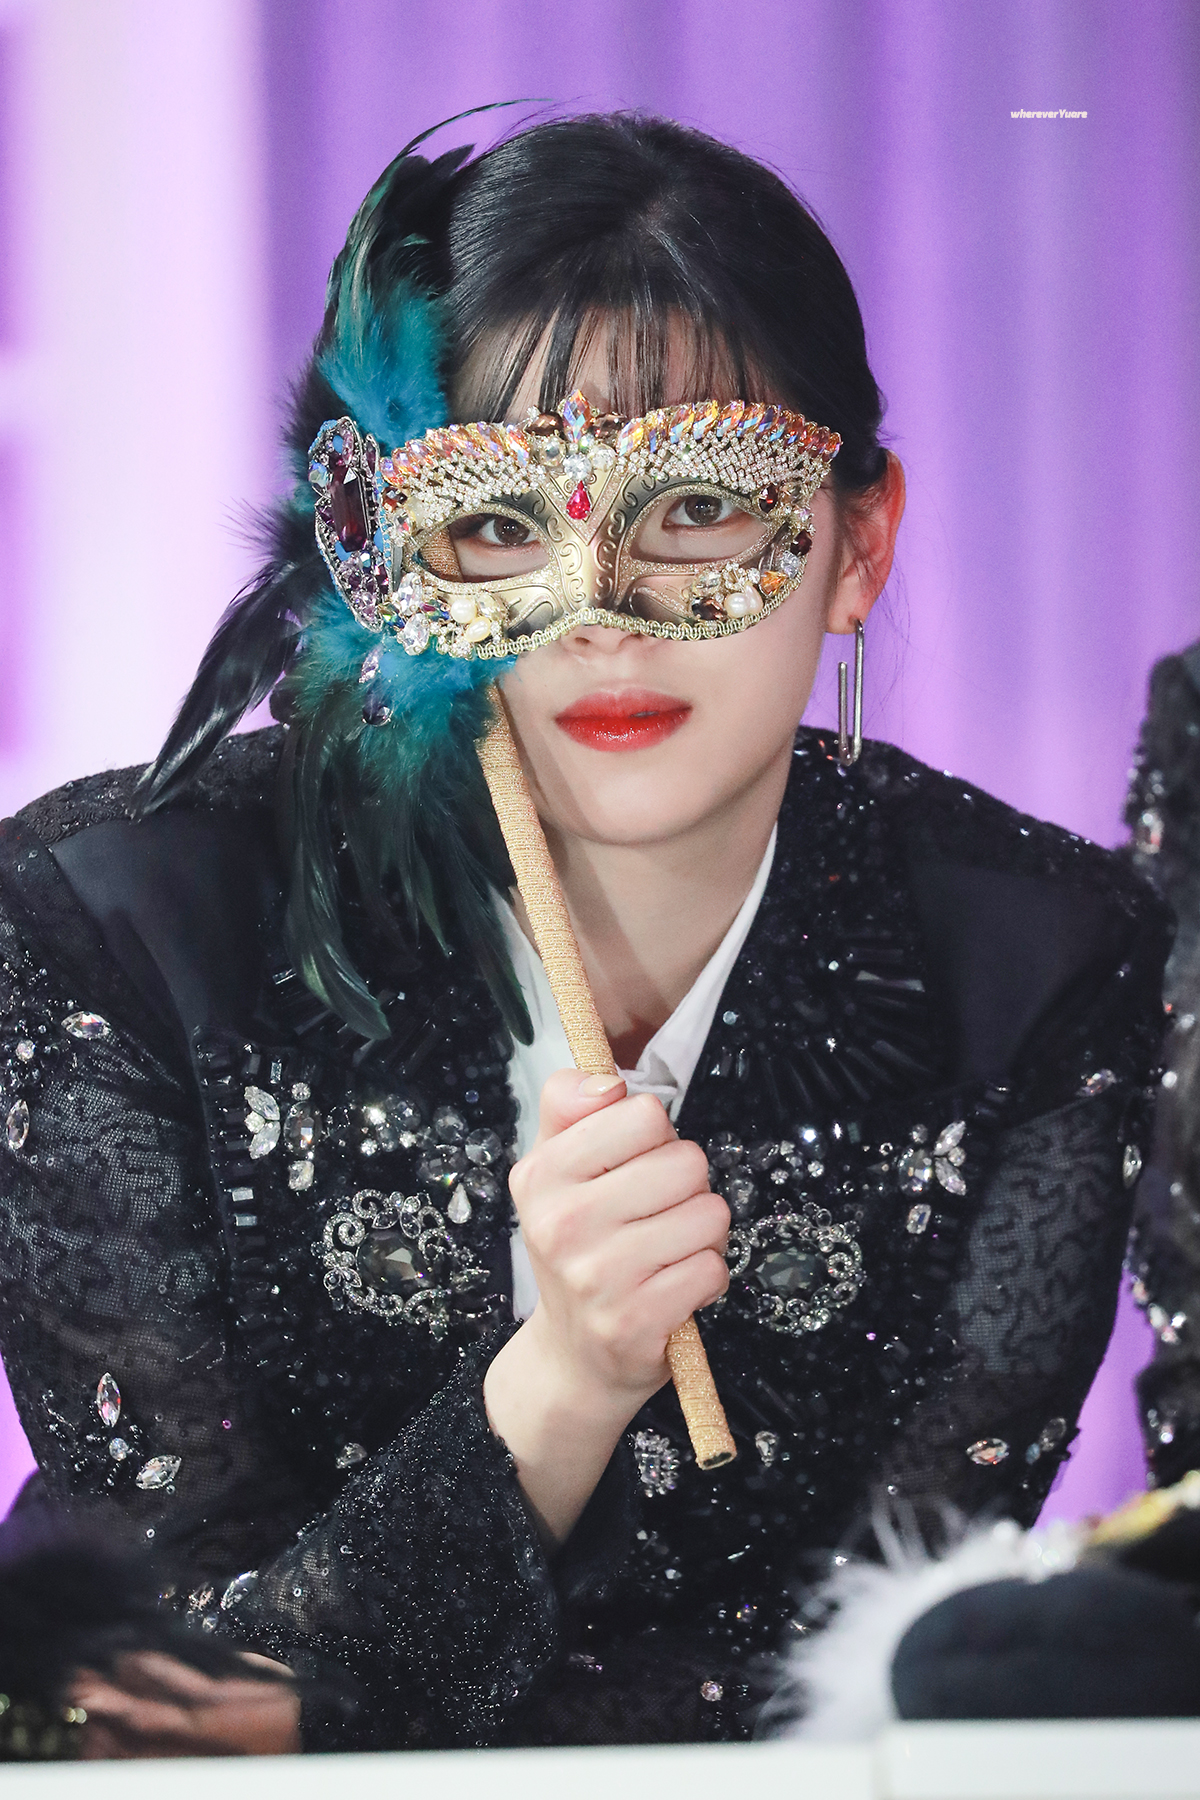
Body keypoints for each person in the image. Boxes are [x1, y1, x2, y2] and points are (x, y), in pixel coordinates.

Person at [0, 112, 1169, 1755]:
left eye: (698, 504)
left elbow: (891, 1670)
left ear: (859, 542)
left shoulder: (1041, 963)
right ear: (388, 557)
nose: (604, 611)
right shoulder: (117, 919)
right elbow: (175, 1715)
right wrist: (557, 1385)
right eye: (496, 524)